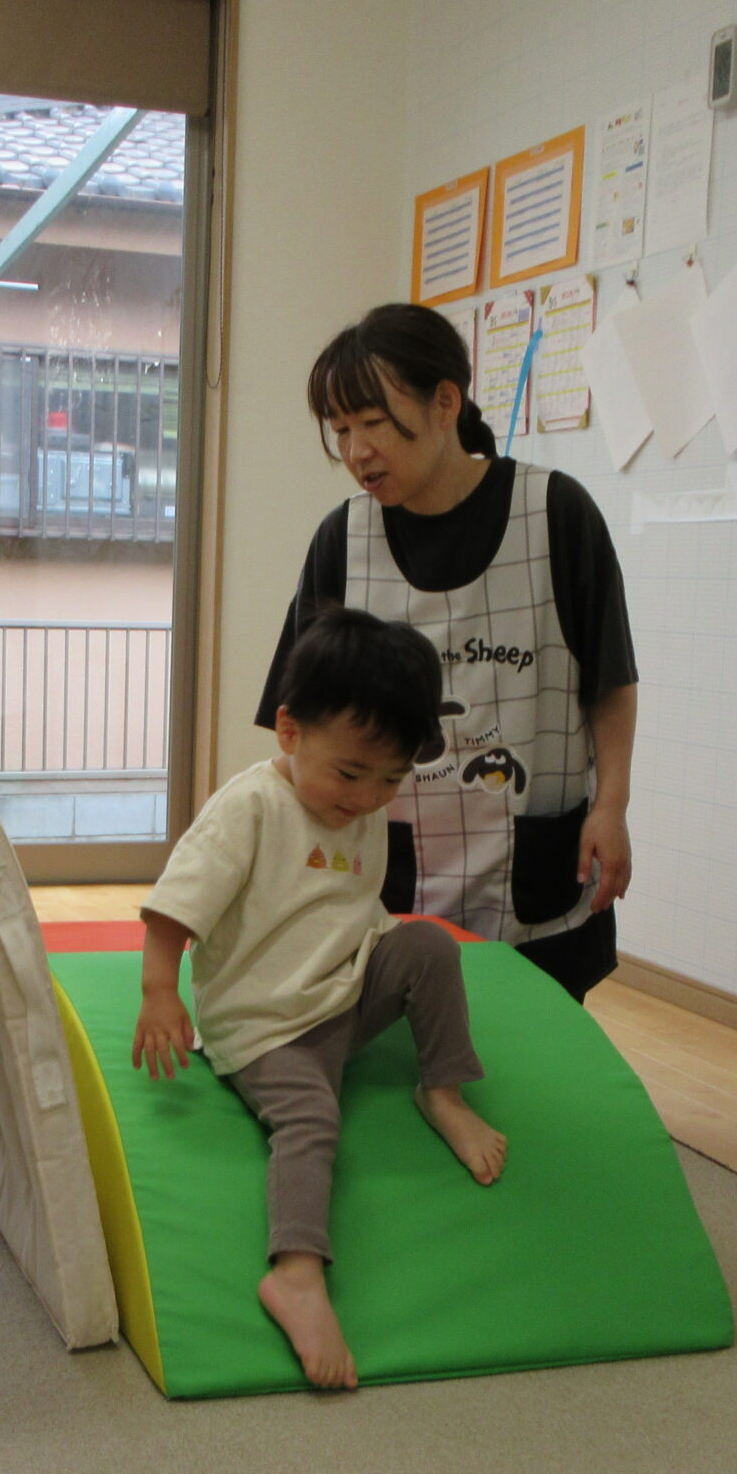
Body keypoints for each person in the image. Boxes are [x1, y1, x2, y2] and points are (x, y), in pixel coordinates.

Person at [136, 606, 506, 1391]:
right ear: (289, 731)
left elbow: (352, 910)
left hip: (342, 988)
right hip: (265, 1022)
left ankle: (443, 1092)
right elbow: (175, 906)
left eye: (390, 779)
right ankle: (296, 1273)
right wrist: (160, 993)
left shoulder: (358, 805)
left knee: (430, 946)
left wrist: (381, 967)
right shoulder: (250, 809)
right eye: (350, 773)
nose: (367, 797)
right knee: (311, 1116)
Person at [259, 304, 638, 1003]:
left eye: (373, 423)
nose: (356, 451)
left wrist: (611, 807)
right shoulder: (343, 540)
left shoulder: (556, 514)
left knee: (530, 1055)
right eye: (341, 430)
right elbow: (300, 722)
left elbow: (610, 680)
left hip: (538, 881)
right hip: (386, 881)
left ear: (445, 403)